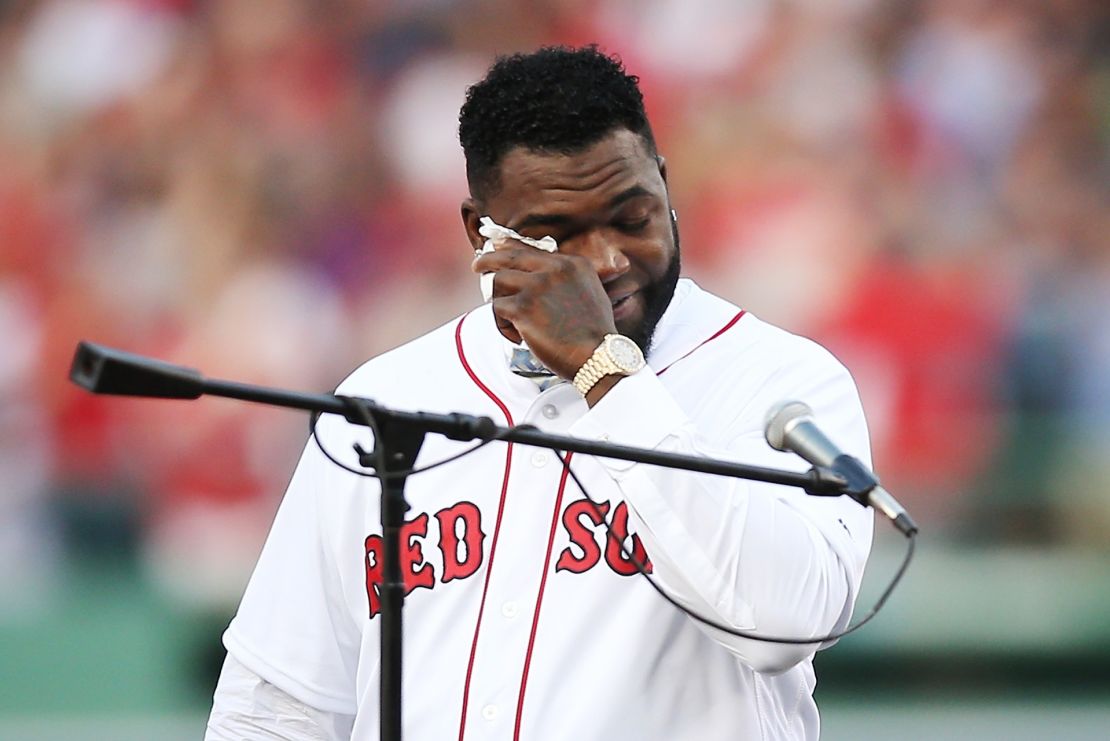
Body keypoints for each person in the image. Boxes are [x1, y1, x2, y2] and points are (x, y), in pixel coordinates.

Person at [206, 46, 874, 740]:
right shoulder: (384, 397)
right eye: (557, 235)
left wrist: (604, 371)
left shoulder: (777, 381)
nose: (607, 261)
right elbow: (278, 706)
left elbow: (788, 623)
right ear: (482, 233)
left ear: (666, 190)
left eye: (632, 217)